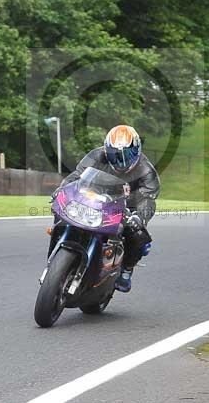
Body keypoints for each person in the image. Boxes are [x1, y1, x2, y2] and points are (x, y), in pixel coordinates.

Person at [57, 125, 160, 293]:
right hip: (96, 198)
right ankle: (60, 245)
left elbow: (148, 199)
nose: (121, 160)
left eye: (128, 154)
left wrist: (139, 217)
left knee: (140, 237)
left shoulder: (146, 170)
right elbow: (77, 175)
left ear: (137, 150)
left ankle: (126, 270)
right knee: (64, 210)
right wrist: (62, 189)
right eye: (115, 155)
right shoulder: (96, 155)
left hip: (128, 208)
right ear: (106, 150)